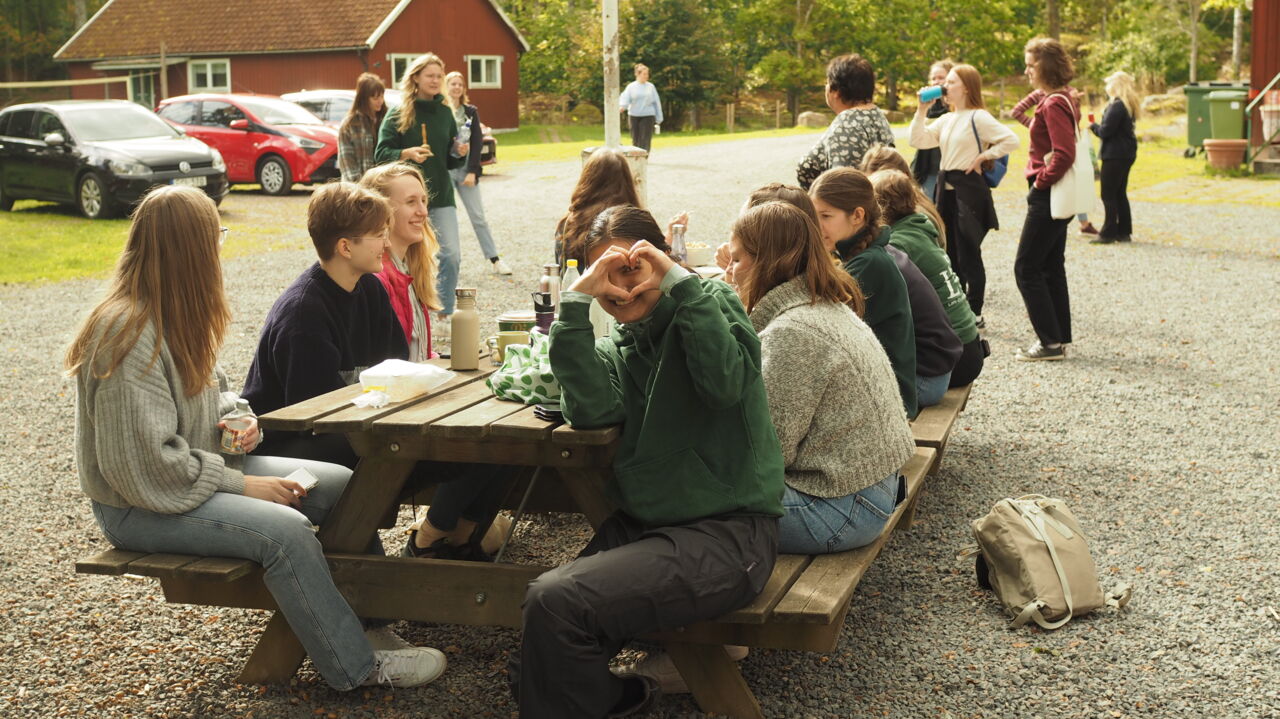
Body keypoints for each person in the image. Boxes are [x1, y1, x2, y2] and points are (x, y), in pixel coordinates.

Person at [66, 185, 446, 691]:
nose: (220, 249)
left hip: (192, 477)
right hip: (142, 506)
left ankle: (371, 624)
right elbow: (144, 468)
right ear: (190, 250)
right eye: (215, 237)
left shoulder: (174, 314)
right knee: (284, 533)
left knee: (341, 484)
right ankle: (356, 667)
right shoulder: (126, 335)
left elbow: (221, 396)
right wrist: (244, 486)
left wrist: (243, 420)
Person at [511, 205, 785, 718]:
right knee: (537, 645)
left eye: (631, 269)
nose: (618, 288)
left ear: (658, 260)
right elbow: (591, 412)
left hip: (729, 537)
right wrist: (574, 304)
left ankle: (613, 700)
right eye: (602, 275)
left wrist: (680, 282)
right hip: (650, 528)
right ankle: (621, 700)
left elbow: (724, 385)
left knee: (555, 604)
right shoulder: (621, 342)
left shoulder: (713, 302)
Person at [242, 182, 512, 560]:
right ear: (345, 247)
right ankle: (372, 568)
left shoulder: (369, 288)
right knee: (438, 449)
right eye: (377, 236)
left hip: (355, 428)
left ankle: (452, 540)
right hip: (294, 443)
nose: (386, 245)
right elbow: (312, 417)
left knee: (492, 443)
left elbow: (398, 370)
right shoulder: (304, 314)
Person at [725, 200, 915, 553]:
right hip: (871, 487)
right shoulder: (820, 304)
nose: (729, 273)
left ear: (767, 262)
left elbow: (768, 454)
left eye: (736, 260)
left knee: (683, 502)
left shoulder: (793, 332)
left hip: (842, 508)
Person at [909, 63, 1019, 325]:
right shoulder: (947, 119)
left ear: (967, 88)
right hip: (945, 191)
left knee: (970, 252)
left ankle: (975, 311)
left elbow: (1011, 140)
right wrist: (921, 109)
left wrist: (985, 156)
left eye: (952, 82)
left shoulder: (977, 117)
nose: (946, 86)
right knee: (950, 253)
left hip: (968, 190)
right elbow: (918, 140)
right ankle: (958, 309)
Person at [809, 168, 918, 418]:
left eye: (825, 216)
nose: (817, 226)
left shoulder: (869, 264)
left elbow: (822, 327)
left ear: (857, 215)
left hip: (891, 401)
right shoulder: (859, 254)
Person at [870, 169, 986, 387]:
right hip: (971, 344)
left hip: (952, 358)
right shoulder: (920, 227)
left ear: (878, 209)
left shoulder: (898, 245)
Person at [375, 53, 468, 319]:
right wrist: (406, 154)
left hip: (440, 196)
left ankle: (444, 313)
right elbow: (380, 154)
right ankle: (411, 312)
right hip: (405, 200)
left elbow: (449, 160)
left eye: (439, 76)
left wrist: (458, 152)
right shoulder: (399, 112)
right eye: (430, 75)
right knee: (411, 259)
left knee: (451, 255)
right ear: (415, 77)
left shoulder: (445, 112)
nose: (436, 81)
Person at [1015, 37, 1080, 361]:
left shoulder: (1054, 103)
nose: (1026, 70)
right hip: (1056, 194)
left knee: (1026, 267)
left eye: (1031, 64)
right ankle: (1059, 337)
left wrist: (1040, 182)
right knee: (1052, 265)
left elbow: (1064, 153)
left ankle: (1049, 343)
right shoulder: (1061, 97)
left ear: (1047, 66)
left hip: (1048, 194)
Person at [359, 162, 441, 362]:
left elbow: (418, 353)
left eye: (423, 200)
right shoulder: (376, 279)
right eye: (411, 202)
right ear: (382, 212)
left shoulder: (408, 268)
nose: (423, 212)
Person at [443, 71, 512, 274]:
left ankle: (495, 259)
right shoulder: (442, 111)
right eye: (453, 83)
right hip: (445, 171)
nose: (456, 87)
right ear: (446, 87)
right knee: (443, 218)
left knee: (478, 217)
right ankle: (441, 262)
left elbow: (477, 142)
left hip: (465, 171)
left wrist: (473, 171)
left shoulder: (470, 112)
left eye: (460, 84)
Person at [1008, 88, 1099, 237]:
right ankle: (1083, 224)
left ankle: (1083, 224)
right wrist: (1037, 126)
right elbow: (1016, 111)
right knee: (1043, 218)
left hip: (1061, 154)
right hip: (1041, 160)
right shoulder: (1039, 93)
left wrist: (1076, 103)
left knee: (1070, 188)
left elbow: (1074, 122)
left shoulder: (1067, 94)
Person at [797, 53, 896, 190]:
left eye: (827, 82)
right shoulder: (877, 115)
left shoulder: (846, 124)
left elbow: (842, 188)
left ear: (836, 90)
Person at [554, 148, 642, 270]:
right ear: (627, 182)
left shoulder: (569, 223)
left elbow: (560, 268)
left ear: (588, 180)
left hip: (577, 287)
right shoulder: (636, 221)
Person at [1090, 70, 1139, 244]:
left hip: (1115, 154)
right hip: (1126, 153)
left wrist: (1093, 126)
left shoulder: (1117, 105)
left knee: (1108, 193)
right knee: (1119, 193)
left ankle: (1108, 232)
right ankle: (1123, 230)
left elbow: (1105, 131)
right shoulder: (1128, 105)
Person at [910, 59, 954, 198]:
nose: (936, 82)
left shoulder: (956, 107)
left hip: (948, 169)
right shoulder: (929, 106)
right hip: (927, 169)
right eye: (933, 78)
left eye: (941, 78)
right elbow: (916, 136)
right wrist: (922, 108)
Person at [338, 73, 387, 183]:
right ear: (363, 98)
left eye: (382, 96)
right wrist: (361, 187)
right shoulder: (350, 124)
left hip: (384, 185)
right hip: (357, 188)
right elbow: (346, 162)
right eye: (375, 98)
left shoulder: (387, 119)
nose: (380, 101)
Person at [619, 63, 663, 152]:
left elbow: (656, 102)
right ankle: (636, 157)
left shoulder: (651, 87)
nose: (647, 76)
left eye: (647, 74)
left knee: (645, 139)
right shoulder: (631, 87)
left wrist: (659, 118)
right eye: (644, 74)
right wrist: (623, 107)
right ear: (637, 74)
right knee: (635, 139)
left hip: (648, 115)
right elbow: (625, 98)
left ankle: (645, 157)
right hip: (634, 115)